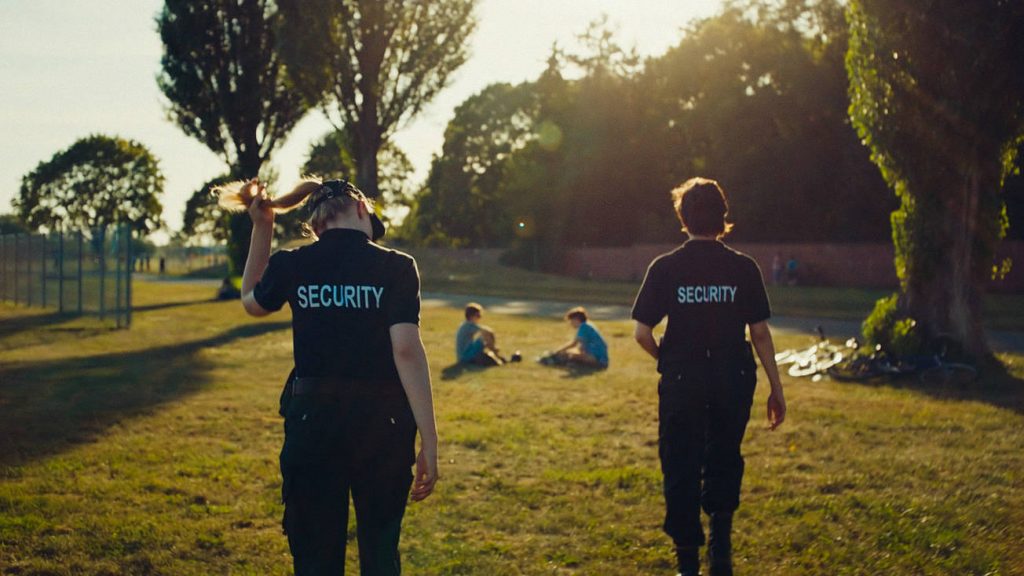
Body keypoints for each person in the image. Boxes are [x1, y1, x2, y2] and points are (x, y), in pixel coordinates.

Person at [224, 177, 438, 575]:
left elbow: (251, 301)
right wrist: (429, 438)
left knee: (316, 558)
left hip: (312, 423)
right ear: (360, 208)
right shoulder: (397, 266)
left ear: (317, 226)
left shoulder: (292, 264)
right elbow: (406, 351)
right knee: (379, 553)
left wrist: (263, 226)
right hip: (383, 426)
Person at [631, 177, 786, 576]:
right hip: (733, 377)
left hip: (683, 381)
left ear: (682, 218)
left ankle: (687, 562)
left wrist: (668, 359)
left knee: (679, 462)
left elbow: (641, 331)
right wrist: (776, 387)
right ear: (723, 218)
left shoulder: (665, 267)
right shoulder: (744, 267)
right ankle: (721, 552)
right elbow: (760, 333)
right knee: (723, 456)